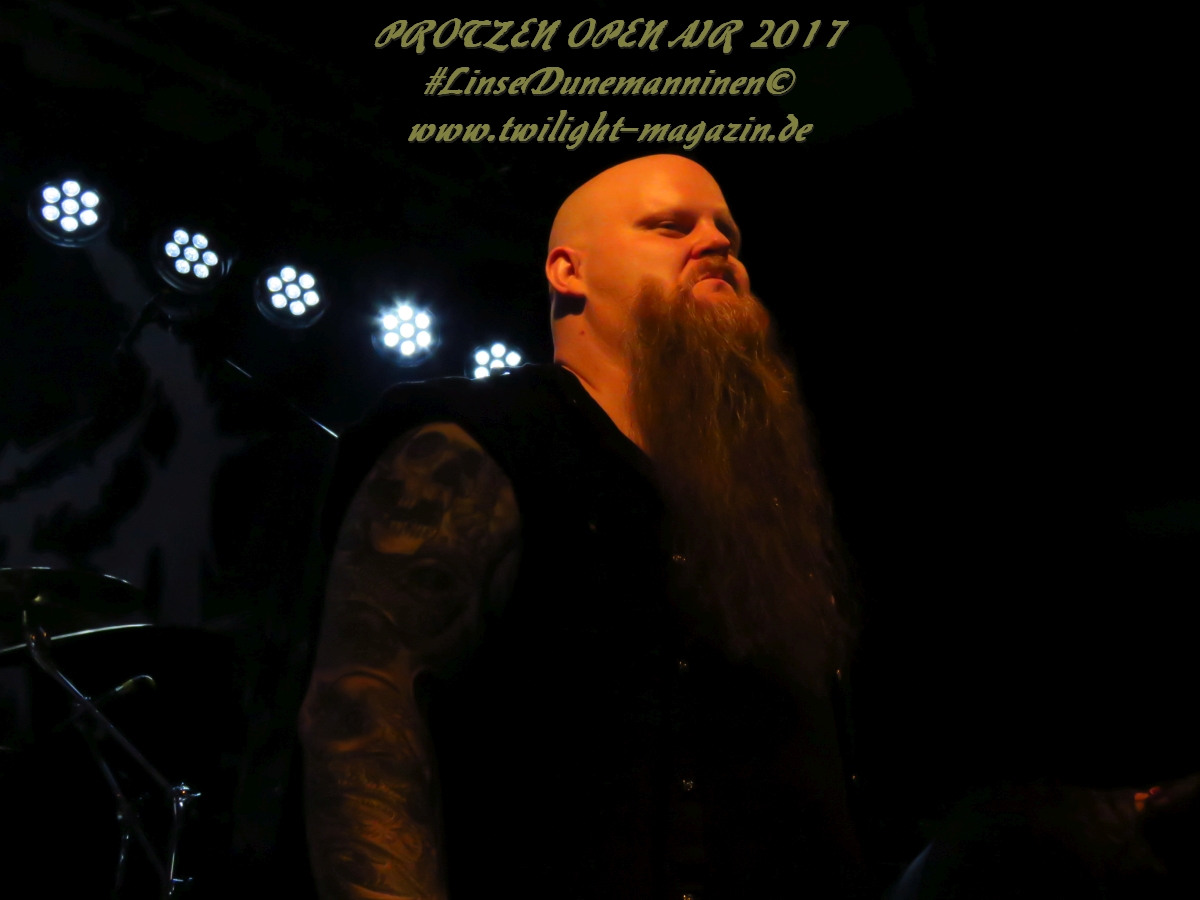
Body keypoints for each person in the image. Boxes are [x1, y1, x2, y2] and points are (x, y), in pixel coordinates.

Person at [299, 154, 866, 900]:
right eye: (670, 227)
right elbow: (365, 719)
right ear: (569, 271)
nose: (717, 243)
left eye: (728, 232)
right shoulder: (479, 446)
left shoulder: (764, 503)